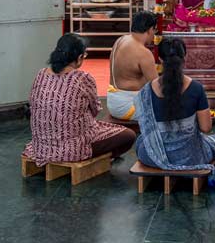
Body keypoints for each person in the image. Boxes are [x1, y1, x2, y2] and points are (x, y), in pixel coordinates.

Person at [24, 34, 135, 166]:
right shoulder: (82, 78)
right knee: (129, 135)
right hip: (72, 149)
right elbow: (95, 110)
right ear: (79, 58)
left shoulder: (41, 74)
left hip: (41, 147)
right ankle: (98, 157)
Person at [135, 38, 215, 180]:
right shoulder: (196, 88)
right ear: (184, 57)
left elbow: (145, 126)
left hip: (153, 157)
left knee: (140, 141)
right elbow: (206, 128)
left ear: (160, 59)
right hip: (191, 157)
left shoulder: (146, 91)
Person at [107, 11, 159, 121]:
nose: (154, 35)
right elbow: (156, 87)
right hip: (127, 106)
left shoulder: (121, 39)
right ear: (150, 30)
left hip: (113, 101)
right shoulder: (143, 53)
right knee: (173, 109)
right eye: (155, 30)